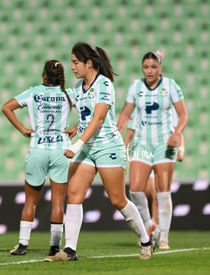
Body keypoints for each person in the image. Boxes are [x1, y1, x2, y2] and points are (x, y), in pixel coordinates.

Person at [45, 42, 155, 262]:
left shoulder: (104, 84)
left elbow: (99, 118)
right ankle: (70, 250)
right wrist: (76, 129)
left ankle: (145, 240)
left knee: (117, 199)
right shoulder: (77, 88)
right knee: (74, 195)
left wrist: (76, 144)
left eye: (76, 62)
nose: (73, 67)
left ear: (89, 63)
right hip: (87, 148)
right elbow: (87, 118)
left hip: (108, 147)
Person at [2, 59, 76, 256]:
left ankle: (23, 245)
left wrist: (23, 129)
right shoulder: (69, 94)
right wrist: (76, 129)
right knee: (58, 202)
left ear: (44, 76)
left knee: (30, 201)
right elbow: (92, 114)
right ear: (61, 77)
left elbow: (6, 107)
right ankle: (54, 247)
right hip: (61, 151)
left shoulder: (33, 92)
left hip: (38, 149)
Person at [117, 50, 188, 250]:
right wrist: (117, 130)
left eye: (153, 67)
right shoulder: (135, 87)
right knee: (135, 188)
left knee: (163, 192)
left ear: (160, 68)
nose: (149, 71)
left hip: (164, 145)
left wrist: (177, 134)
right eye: (146, 67)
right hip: (142, 144)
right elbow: (125, 115)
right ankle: (150, 227)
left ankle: (163, 237)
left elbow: (183, 115)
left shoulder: (171, 86)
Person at [123, 109, 185, 244]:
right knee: (141, 191)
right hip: (142, 152)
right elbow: (129, 134)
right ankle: (148, 226)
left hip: (162, 152)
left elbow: (177, 132)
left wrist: (181, 149)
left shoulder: (169, 108)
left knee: (158, 194)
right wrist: (123, 155)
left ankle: (161, 235)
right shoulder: (139, 106)